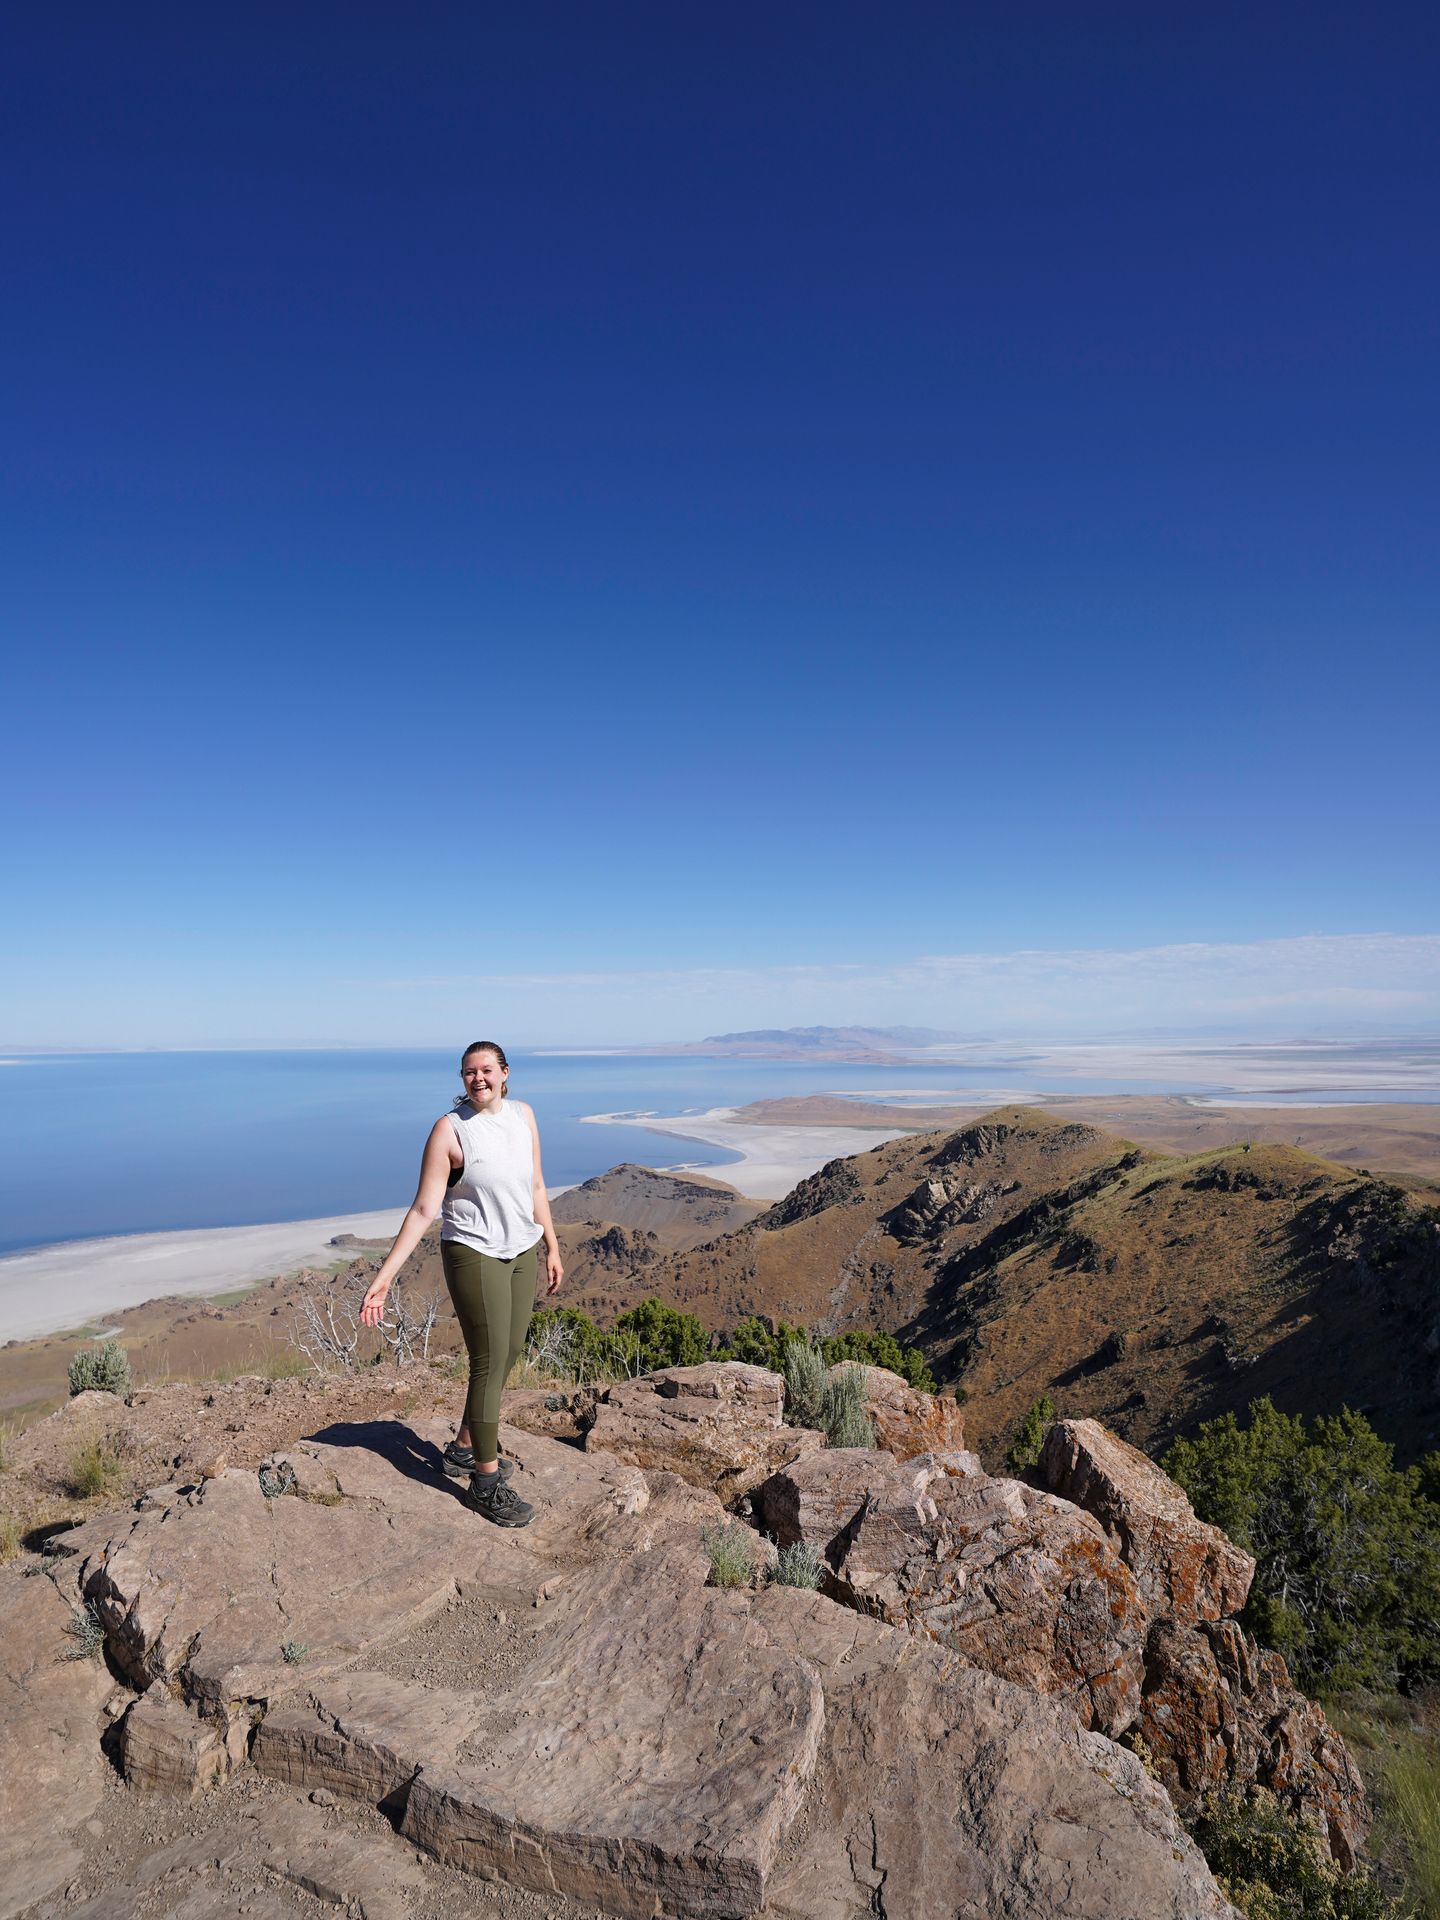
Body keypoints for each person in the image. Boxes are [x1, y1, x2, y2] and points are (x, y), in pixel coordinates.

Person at [360, 1040, 564, 1526]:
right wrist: (384, 1277)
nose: (478, 1079)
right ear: (462, 1079)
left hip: (522, 1251)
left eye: (487, 1070)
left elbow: (536, 1184)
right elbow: (425, 1209)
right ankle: (485, 1483)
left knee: (510, 1352)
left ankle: (461, 1449)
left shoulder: (524, 1116)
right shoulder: (450, 1132)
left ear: (505, 1073)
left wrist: (552, 1246)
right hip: (474, 1254)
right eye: (469, 1072)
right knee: (489, 1364)